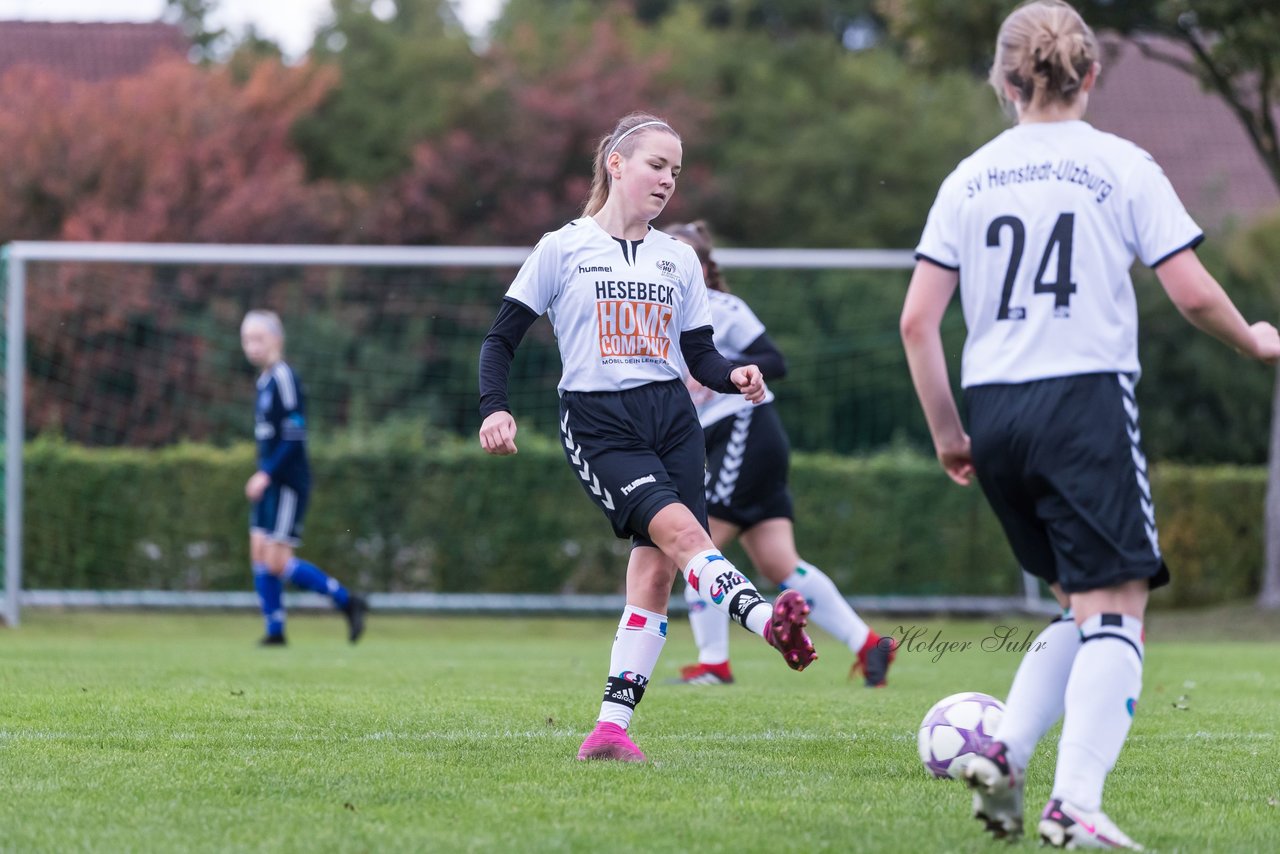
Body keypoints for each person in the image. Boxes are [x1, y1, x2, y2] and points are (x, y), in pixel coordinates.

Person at [900, 1, 1280, 848]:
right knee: (1119, 611)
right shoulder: (1120, 165)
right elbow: (1188, 291)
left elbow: (918, 323)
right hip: (1082, 402)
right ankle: (1073, 804)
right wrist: (1253, 338)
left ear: (1003, 80)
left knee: (1079, 606)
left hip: (994, 409)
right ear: (1093, 75)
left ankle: (1002, 752)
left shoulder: (968, 177)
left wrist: (949, 433)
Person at [478, 112, 818, 763]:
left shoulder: (679, 258)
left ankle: (610, 731)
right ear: (616, 164)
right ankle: (766, 621)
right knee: (688, 537)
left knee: (658, 574)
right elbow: (501, 338)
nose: (667, 180)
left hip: (673, 419)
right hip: (601, 423)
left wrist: (735, 374)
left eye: (676, 171)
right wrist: (495, 408)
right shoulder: (563, 247)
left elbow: (700, 357)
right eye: (656, 165)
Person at [665, 220, 896, 688]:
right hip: (729, 441)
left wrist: (729, 372)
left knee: (695, 546)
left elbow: (774, 360)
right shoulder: (657, 314)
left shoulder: (721, 309)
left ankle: (714, 664)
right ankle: (868, 644)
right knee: (778, 564)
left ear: (705, 268)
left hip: (746, 431)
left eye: (688, 258)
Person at [241, 310, 368, 646]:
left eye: (259, 339)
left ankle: (347, 601)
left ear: (277, 341)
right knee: (258, 552)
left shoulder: (284, 378)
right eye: (247, 340)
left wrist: (266, 474)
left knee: (277, 560)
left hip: (287, 484)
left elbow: (295, 434)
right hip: (269, 482)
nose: (252, 347)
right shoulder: (264, 381)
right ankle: (275, 631)